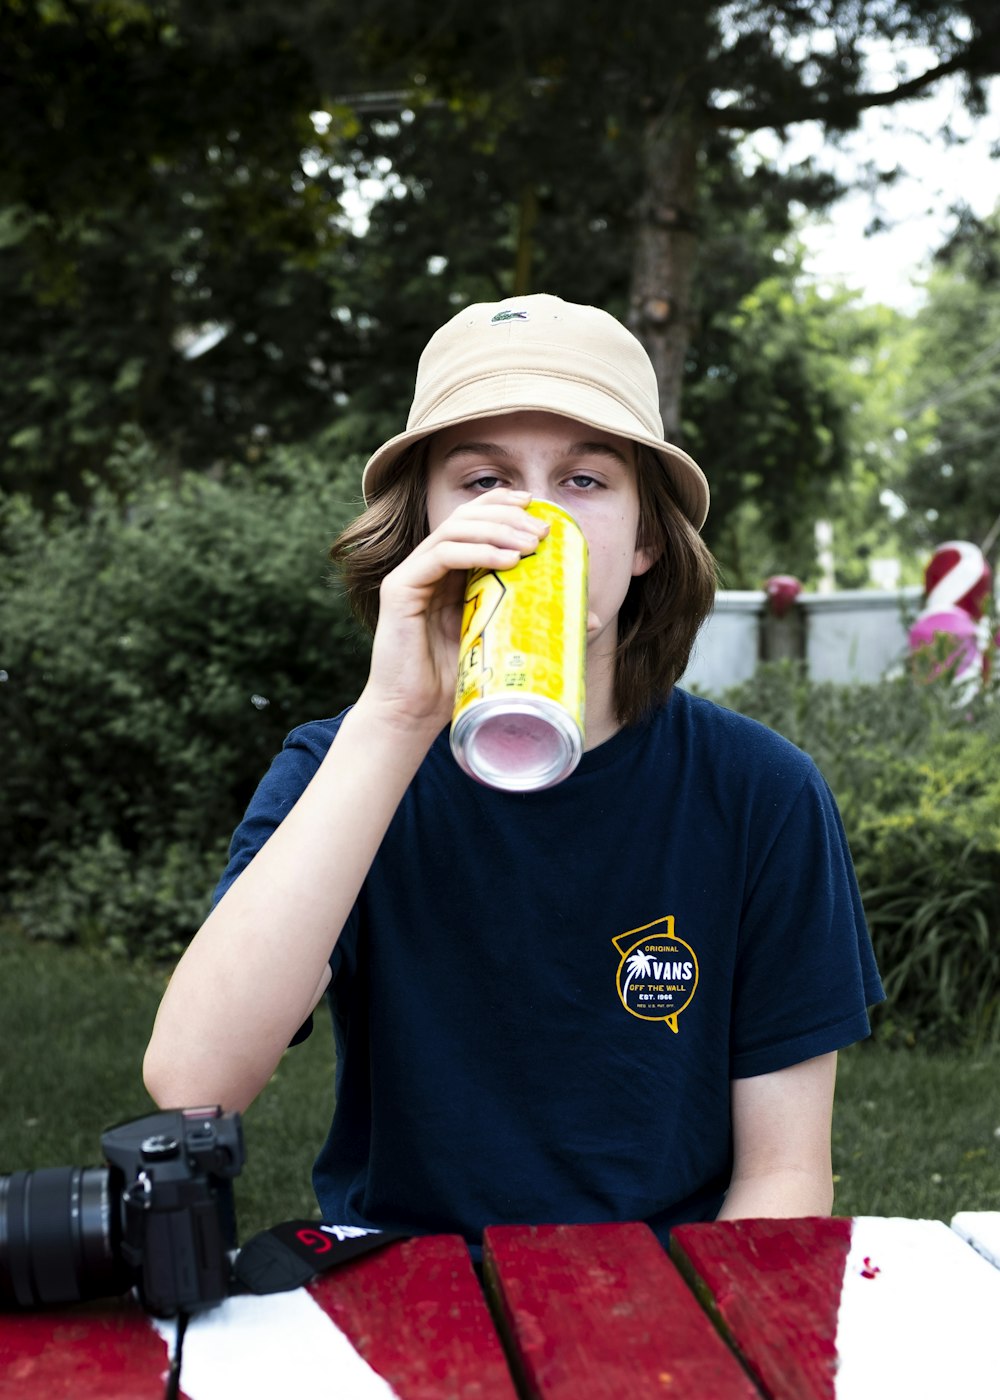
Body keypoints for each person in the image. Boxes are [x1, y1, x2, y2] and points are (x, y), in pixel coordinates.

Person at [144, 293, 884, 1247]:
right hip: (407, 1291)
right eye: (484, 480)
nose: (533, 519)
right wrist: (397, 719)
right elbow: (195, 1083)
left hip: (669, 1302)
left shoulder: (760, 791)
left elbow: (783, 1173)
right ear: (421, 528)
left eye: (584, 481)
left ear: (648, 539)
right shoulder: (343, 765)